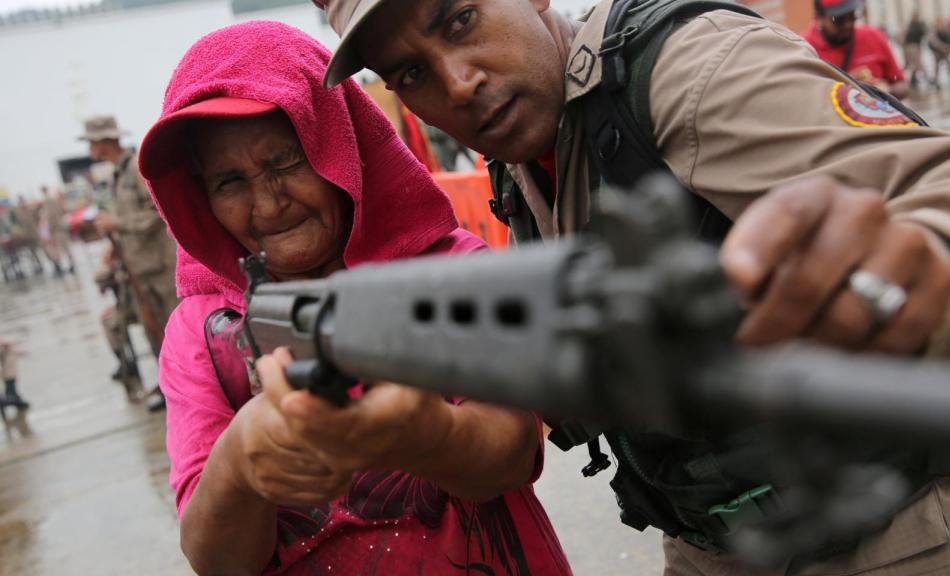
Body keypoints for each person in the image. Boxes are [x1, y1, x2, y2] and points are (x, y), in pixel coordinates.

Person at [318, 0, 950, 574]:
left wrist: (928, 264)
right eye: (410, 72)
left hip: (907, 539)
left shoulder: (688, 68)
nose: (458, 83)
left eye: (459, 19)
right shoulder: (522, 157)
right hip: (712, 542)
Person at [137, 21, 570, 576]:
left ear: (341, 147)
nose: (268, 207)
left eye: (284, 163)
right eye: (229, 183)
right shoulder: (200, 332)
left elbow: (513, 453)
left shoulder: (448, 271)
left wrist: (425, 434)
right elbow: (216, 560)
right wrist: (242, 461)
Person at [82, 115, 177, 413]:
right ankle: (169, 387)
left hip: (159, 266)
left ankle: (188, 386)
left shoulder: (136, 170)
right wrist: (116, 247)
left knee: (175, 329)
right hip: (139, 268)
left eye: (92, 142)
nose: (90, 148)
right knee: (154, 330)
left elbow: (157, 213)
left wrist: (117, 222)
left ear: (104, 142)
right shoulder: (118, 175)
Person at [802, 0, 910, 99]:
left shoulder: (873, 36)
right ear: (819, 18)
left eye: (852, 17)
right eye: (839, 20)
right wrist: (849, 86)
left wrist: (883, 92)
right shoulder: (803, 49)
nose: (848, 25)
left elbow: (902, 85)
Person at [38, 186, 75, 276]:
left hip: (57, 229)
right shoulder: (52, 201)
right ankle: (66, 265)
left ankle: (68, 265)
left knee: (62, 248)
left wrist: (49, 229)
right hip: (57, 229)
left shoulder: (48, 202)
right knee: (61, 248)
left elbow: (51, 217)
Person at [901, 10, 929, 87]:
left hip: (916, 45)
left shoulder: (919, 25)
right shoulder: (910, 25)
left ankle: (912, 80)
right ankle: (928, 79)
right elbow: (905, 37)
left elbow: (924, 33)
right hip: (911, 46)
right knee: (917, 64)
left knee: (914, 64)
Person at [0, 337, 28, 413]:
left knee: (11, 392)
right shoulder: (3, 353)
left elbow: (21, 353)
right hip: (6, 376)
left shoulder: (11, 351)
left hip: (11, 375)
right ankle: (20, 404)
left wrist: (8, 345)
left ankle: (21, 404)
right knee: (10, 392)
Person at [929, 16, 950, 85]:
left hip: (945, 52)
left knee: (949, 64)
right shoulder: (934, 31)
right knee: (936, 66)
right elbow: (934, 41)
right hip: (937, 52)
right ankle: (935, 81)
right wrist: (943, 47)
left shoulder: (945, 30)